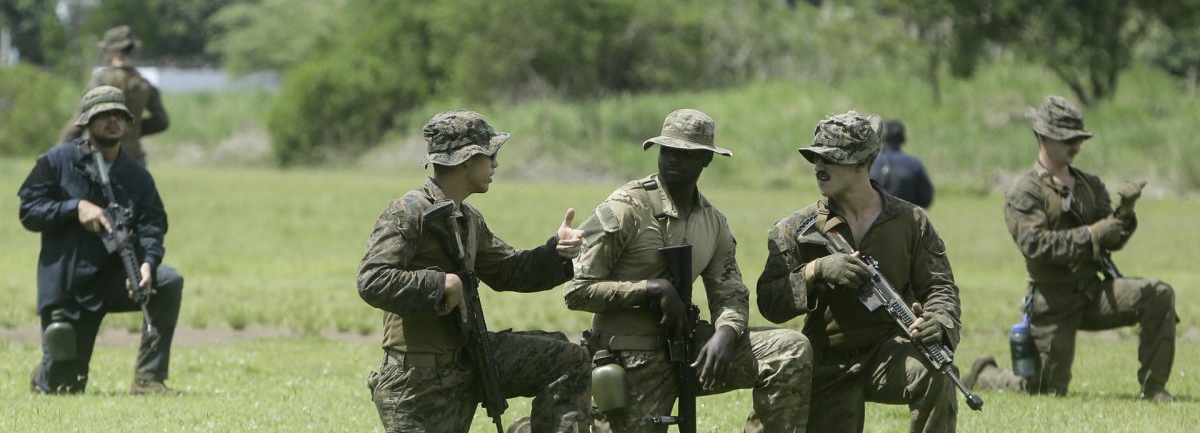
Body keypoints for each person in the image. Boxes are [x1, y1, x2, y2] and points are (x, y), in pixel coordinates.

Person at [565, 109, 812, 432]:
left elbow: (730, 295)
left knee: (790, 348)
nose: (674, 159)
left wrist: (726, 334)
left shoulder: (713, 223)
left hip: (689, 349)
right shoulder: (626, 208)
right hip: (628, 357)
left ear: (706, 160)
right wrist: (652, 289)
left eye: (686, 153)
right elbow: (577, 291)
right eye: (668, 150)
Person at [356, 109, 591, 432]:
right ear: (466, 160)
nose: (495, 164)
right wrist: (441, 284)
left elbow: (510, 270)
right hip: (417, 382)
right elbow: (372, 279)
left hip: (470, 357)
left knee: (568, 360)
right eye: (489, 155)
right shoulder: (408, 212)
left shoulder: (468, 219)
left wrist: (557, 251)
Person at [757, 111, 961, 433]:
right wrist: (815, 271)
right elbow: (769, 302)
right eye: (815, 157)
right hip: (827, 360)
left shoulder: (911, 221)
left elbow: (940, 288)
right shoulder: (795, 228)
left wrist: (938, 321)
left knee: (936, 369)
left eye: (831, 158)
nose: (819, 166)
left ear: (862, 163)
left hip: (890, 351)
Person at [964, 95, 1176, 402]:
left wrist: (1125, 214)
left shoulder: (1090, 185)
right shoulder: (1026, 191)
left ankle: (1154, 389)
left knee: (1158, 294)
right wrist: (1092, 234)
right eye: (1068, 138)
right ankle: (986, 374)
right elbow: (1035, 245)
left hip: (1094, 292)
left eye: (1080, 138)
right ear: (1043, 136)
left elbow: (1112, 241)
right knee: (1046, 389)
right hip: (1052, 301)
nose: (1076, 145)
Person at [20, 85, 185, 395]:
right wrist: (74, 208)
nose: (113, 121)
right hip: (70, 285)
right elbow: (29, 211)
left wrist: (148, 263)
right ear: (87, 121)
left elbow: (152, 223)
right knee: (63, 389)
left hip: (116, 279)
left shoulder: (137, 175)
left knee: (168, 281)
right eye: (104, 115)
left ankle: (147, 379)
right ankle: (47, 372)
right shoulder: (56, 162)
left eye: (119, 115)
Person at [60, 25, 169, 166]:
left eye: (105, 51)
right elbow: (162, 121)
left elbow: (79, 122)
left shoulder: (100, 81)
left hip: (102, 157)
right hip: (134, 158)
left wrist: (59, 153)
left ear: (114, 51)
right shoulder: (144, 84)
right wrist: (132, 129)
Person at [869, 120, 934, 209]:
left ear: (882, 138)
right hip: (906, 216)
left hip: (873, 217)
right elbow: (926, 200)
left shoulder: (869, 164)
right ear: (903, 139)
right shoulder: (914, 164)